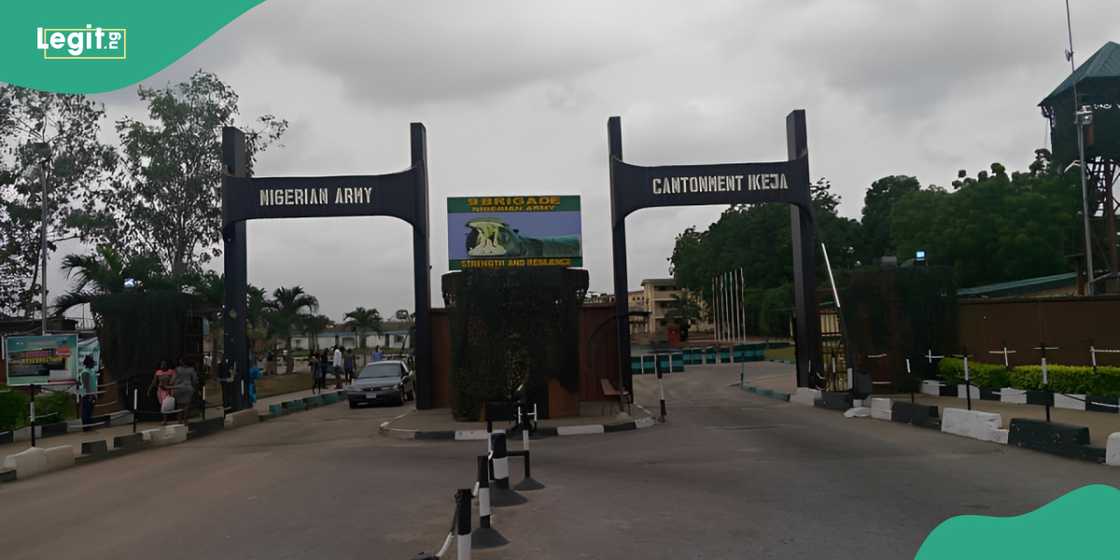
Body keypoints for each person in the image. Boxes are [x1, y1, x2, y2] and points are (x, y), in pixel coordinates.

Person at [149, 360, 176, 425]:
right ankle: (165, 419)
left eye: (164, 364)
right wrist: (150, 389)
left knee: (165, 405)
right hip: (160, 390)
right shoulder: (158, 372)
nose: (163, 366)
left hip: (168, 390)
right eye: (162, 364)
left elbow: (173, 381)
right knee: (162, 405)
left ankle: (165, 420)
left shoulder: (171, 372)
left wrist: (170, 388)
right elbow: (154, 382)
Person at [173, 357, 198, 424]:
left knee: (179, 405)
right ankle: (185, 420)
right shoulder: (191, 369)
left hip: (178, 388)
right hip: (188, 387)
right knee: (186, 405)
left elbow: (173, 379)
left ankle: (179, 420)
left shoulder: (177, 369)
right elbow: (195, 380)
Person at [79, 355, 97, 432]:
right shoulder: (85, 372)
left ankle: (89, 427)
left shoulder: (91, 371)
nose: (93, 364)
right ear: (89, 363)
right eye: (92, 363)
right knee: (86, 412)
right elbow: (86, 385)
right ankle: (86, 428)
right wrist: (90, 395)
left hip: (92, 394)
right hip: (87, 395)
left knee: (90, 411)